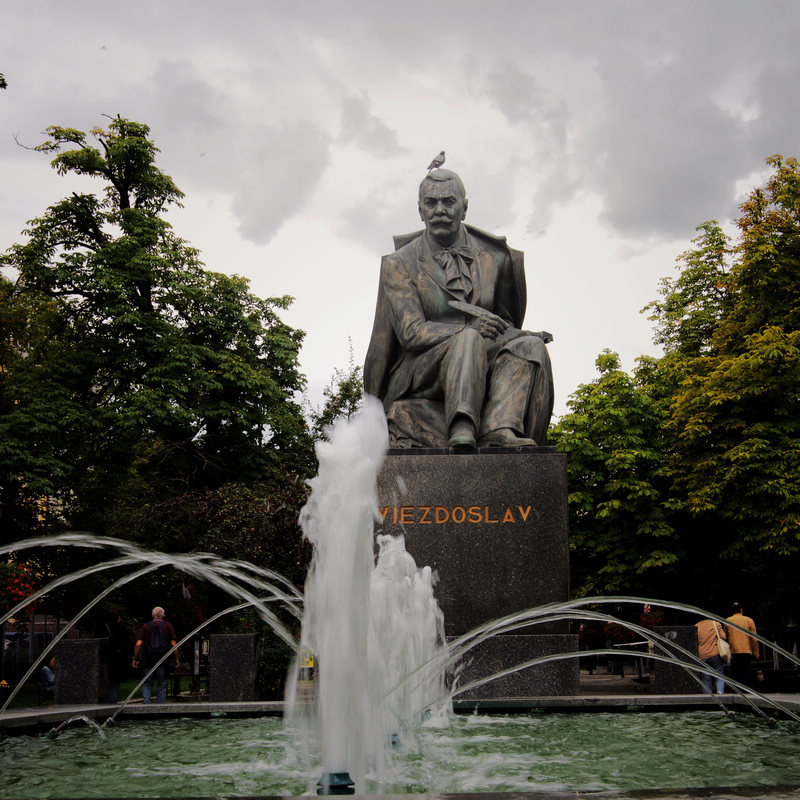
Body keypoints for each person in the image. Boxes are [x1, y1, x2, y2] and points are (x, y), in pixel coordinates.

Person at [364, 168, 554, 450]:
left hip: (481, 355)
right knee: (468, 338)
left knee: (529, 348)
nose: (439, 210)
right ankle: (462, 426)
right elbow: (410, 332)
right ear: (420, 210)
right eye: (431, 203)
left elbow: (502, 323)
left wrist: (522, 335)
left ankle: (499, 427)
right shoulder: (399, 263)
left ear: (463, 208)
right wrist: (466, 330)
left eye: (448, 202)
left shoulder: (495, 259)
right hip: (423, 369)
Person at [132, 606, 179, 704]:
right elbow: (173, 644)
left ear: (152, 615)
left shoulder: (146, 626)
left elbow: (138, 644)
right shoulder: (168, 626)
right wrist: (176, 658)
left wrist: (135, 658)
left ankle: (146, 706)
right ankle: (160, 708)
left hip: (148, 660)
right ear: (163, 616)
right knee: (162, 684)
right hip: (163, 660)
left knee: (147, 683)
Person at [725, 602, 760, 688]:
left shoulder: (728, 621)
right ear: (741, 610)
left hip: (734, 651)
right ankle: (746, 689)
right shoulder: (749, 620)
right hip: (746, 650)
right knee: (746, 671)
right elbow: (754, 639)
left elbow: (724, 636)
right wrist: (756, 653)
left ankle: (737, 690)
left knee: (736, 672)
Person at [103, 607, 132, 704]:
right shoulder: (122, 629)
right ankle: (112, 705)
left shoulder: (103, 629)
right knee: (114, 685)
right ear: (118, 617)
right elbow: (129, 646)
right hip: (117, 661)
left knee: (108, 685)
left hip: (104, 660)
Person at [695, 618, 727, 694]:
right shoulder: (715, 624)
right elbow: (723, 637)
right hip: (715, 654)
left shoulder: (696, 626)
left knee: (706, 678)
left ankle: (708, 698)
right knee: (719, 675)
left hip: (702, 656)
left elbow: (695, 641)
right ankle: (720, 693)